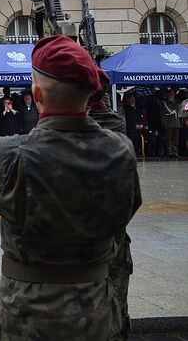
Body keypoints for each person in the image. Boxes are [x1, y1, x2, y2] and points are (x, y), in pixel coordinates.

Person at [0, 36, 141, 341]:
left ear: (36, 92)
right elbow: (128, 207)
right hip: (97, 312)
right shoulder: (120, 152)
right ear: (92, 95)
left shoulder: (9, 155)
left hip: (27, 313)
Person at [87, 68, 134, 341]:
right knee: (117, 311)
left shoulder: (78, 125)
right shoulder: (117, 123)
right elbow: (133, 197)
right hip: (116, 234)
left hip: (83, 243)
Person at [160, 88, 180, 157]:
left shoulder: (176, 102)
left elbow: (179, 112)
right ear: (167, 95)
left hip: (177, 123)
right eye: (170, 93)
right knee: (169, 139)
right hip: (169, 123)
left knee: (176, 139)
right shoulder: (165, 103)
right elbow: (162, 114)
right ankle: (169, 151)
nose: (172, 95)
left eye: (173, 93)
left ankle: (175, 151)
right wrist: (164, 123)